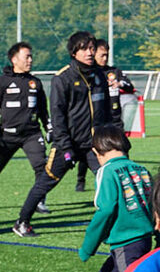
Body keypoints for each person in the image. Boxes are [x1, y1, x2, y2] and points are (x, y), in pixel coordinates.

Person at [14, 32, 100, 238]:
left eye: (92, 48)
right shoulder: (63, 78)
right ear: (74, 52)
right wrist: (66, 147)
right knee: (46, 182)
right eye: (85, 48)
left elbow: (104, 111)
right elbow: (57, 116)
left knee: (108, 180)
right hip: (67, 145)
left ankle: (111, 226)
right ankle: (22, 221)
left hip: (94, 145)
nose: (90, 52)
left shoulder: (99, 76)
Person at [76, 127, 157, 272]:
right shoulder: (141, 169)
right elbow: (156, 205)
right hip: (144, 239)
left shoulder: (107, 171)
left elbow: (105, 210)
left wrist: (88, 246)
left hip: (126, 241)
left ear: (97, 152)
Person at [0, 40, 49, 210]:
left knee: (42, 167)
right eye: (26, 57)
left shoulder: (35, 82)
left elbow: (43, 109)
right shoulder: (1, 82)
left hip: (32, 135)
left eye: (31, 57)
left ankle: (40, 202)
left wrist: (49, 128)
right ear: (14, 59)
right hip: (8, 135)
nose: (30, 60)